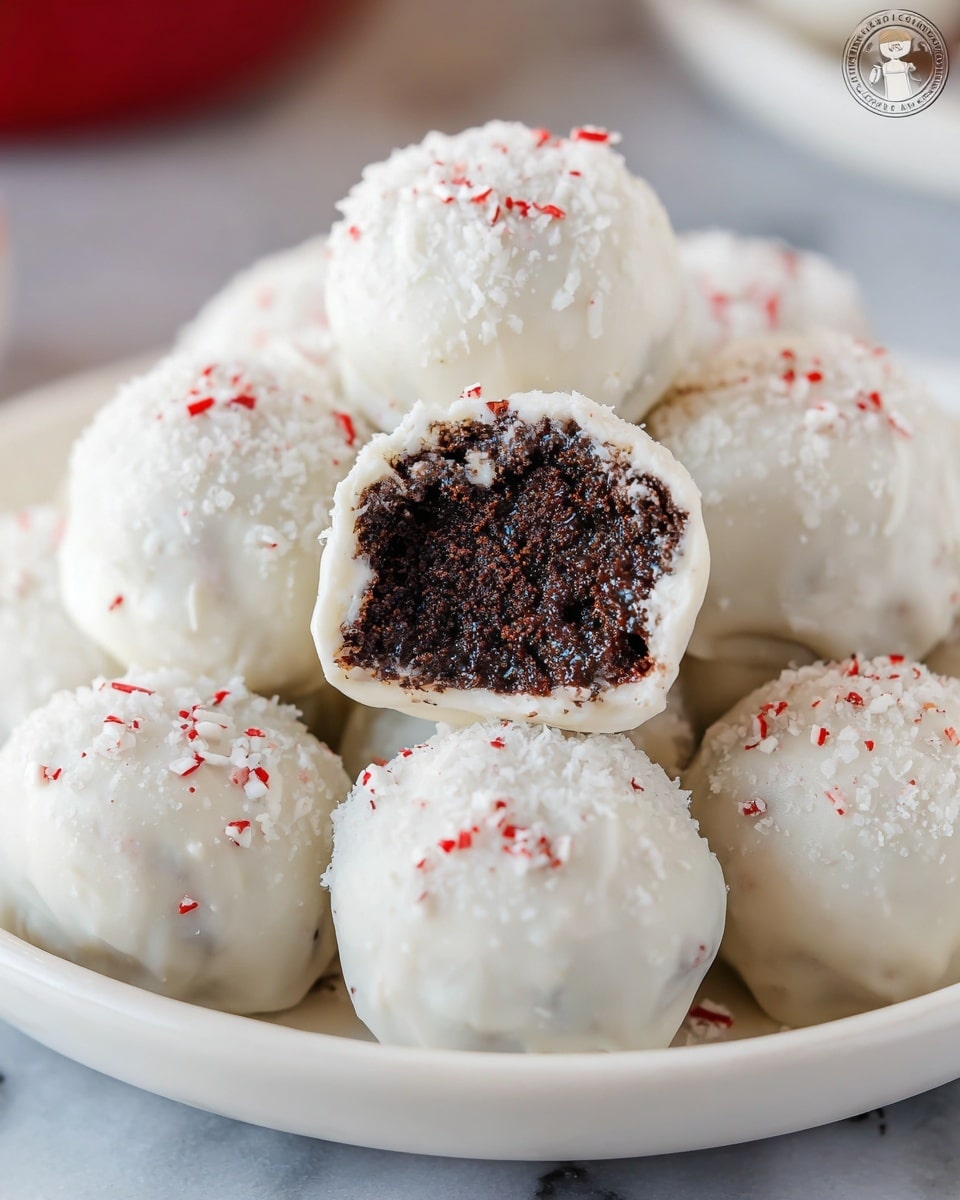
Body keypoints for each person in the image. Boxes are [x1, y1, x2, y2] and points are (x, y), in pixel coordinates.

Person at [870, 26, 918, 101]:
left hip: (903, 90)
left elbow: (913, 69)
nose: (895, 50)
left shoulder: (903, 64)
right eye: (893, 47)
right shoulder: (887, 66)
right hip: (892, 90)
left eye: (898, 47)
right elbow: (913, 68)